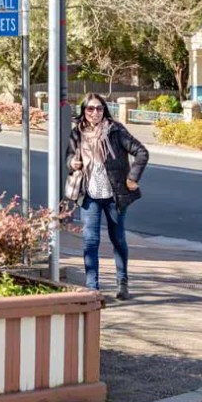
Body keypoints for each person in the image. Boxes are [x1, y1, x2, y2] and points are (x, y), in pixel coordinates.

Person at [65, 93, 148, 300]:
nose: (95, 113)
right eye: (90, 109)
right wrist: (72, 163)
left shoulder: (115, 130)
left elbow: (141, 152)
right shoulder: (78, 133)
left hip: (114, 195)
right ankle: (92, 287)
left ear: (105, 110)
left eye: (99, 108)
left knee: (117, 238)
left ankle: (122, 281)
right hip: (89, 194)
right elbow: (69, 155)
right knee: (90, 240)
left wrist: (132, 177)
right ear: (84, 111)